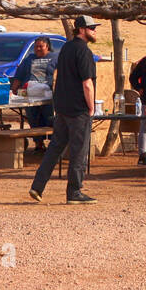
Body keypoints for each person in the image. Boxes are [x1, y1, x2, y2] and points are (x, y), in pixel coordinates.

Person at [30, 15, 100, 204]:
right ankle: (74, 192)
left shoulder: (66, 48)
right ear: (82, 29)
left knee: (54, 149)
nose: (95, 30)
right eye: (92, 27)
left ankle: (37, 186)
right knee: (79, 151)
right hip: (78, 109)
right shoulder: (83, 51)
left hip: (62, 108)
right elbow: (87, 83)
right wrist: (92, 107)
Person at [11, 36, 58, 153]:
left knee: (50, 119)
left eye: (40, 46)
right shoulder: (29, 59)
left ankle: (54, 145)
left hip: (48, 95)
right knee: (33, 119)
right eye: (36, 46)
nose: (37, 49)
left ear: (47, 47)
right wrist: (13, 90)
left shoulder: (55, 58)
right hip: (29, 95)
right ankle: (39, 144)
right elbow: (19, 76)